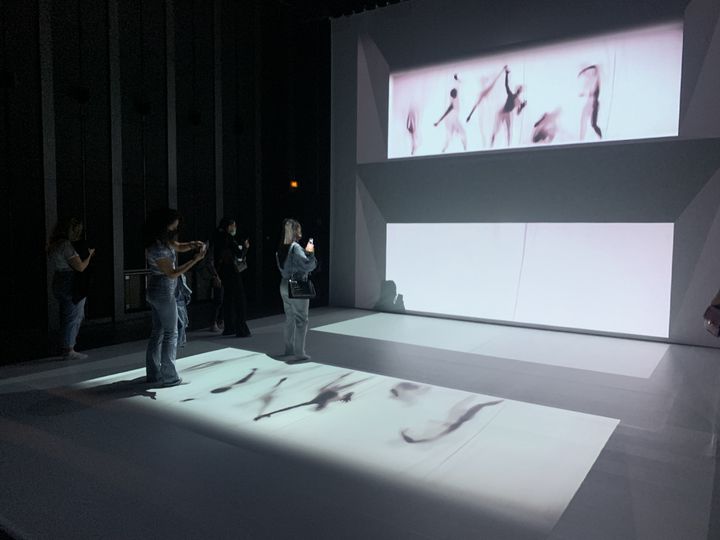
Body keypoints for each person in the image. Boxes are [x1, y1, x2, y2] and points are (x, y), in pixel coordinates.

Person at [143, 208, 206, 386]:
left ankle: (153, 373)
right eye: (174, 223)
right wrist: (195, 259)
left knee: (157, 332)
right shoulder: (158, 248)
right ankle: (169, 376)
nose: (176, 227)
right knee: (171, 332)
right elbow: (172, 273)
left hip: (156, 290)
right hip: (163, 290)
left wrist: (193, 244)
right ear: (165, 225)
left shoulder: (160, 243)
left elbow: (178, 246)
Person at [47, 217, 95, 360]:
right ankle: (69, 349)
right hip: (70, 282)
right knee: (73, 316)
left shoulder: (53, 244)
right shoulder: (66, 245)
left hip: (58, 279)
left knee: (67, 315)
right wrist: (90, 255)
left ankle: (66, 346)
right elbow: (80, 267)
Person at [276, 218, 316, 362]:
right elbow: (308, 265)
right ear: (294, 231)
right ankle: (299, 352)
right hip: (297, 284)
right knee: (301, 320)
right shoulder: (295, 247)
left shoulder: (281, 247)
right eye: (298, 230)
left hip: (284, 284)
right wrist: (310, 254)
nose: (300, 233)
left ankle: (289, 349)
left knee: (290, 319)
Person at [212, 217, 251, 337]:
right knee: (239, 299)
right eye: (233, 225)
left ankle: (229, 327)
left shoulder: (217, 237)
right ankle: (241, 328)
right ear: (229, 226)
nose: (235, 228)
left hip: (222, 271)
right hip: (231, 270)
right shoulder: (228, 238)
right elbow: (239, 254)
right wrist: (245, 247)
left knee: (228, 298)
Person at [490, 67, 527, 147]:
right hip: (502, 112)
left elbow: (518, 112)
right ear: (516, 90)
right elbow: (506, 85)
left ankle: (508, 146)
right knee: (497, 129)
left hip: (508, 114)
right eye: (518, 89)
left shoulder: (518, 101)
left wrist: (522, 107)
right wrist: (506, 74)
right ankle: (491, 144)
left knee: (509, 130)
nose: (519, 91)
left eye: (520, 90)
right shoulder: (511, 94)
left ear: (520, 92)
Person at [434, 74, 467, 152]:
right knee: (450, 137)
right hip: (450, 121)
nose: (456, 94)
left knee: (463, 134)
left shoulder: (456, 95)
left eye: (456, 93)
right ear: (452, 95)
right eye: (454, 94)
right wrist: (438, 122)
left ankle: (465, 148)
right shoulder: (451, 105)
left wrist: (456, 79)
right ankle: (444, 150)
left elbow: (458, 87)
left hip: (455, 120)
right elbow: (446, 113)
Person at [578, 65, 602, 140]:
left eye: (591, 72)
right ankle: (581, 141)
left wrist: (584, 94)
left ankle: (601, 138)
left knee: (593, 124)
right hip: (590, 103)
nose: (588, 73)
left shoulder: (595, 79)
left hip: (593, 104)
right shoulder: (591, 80)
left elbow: (593, 92)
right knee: (584, 122)